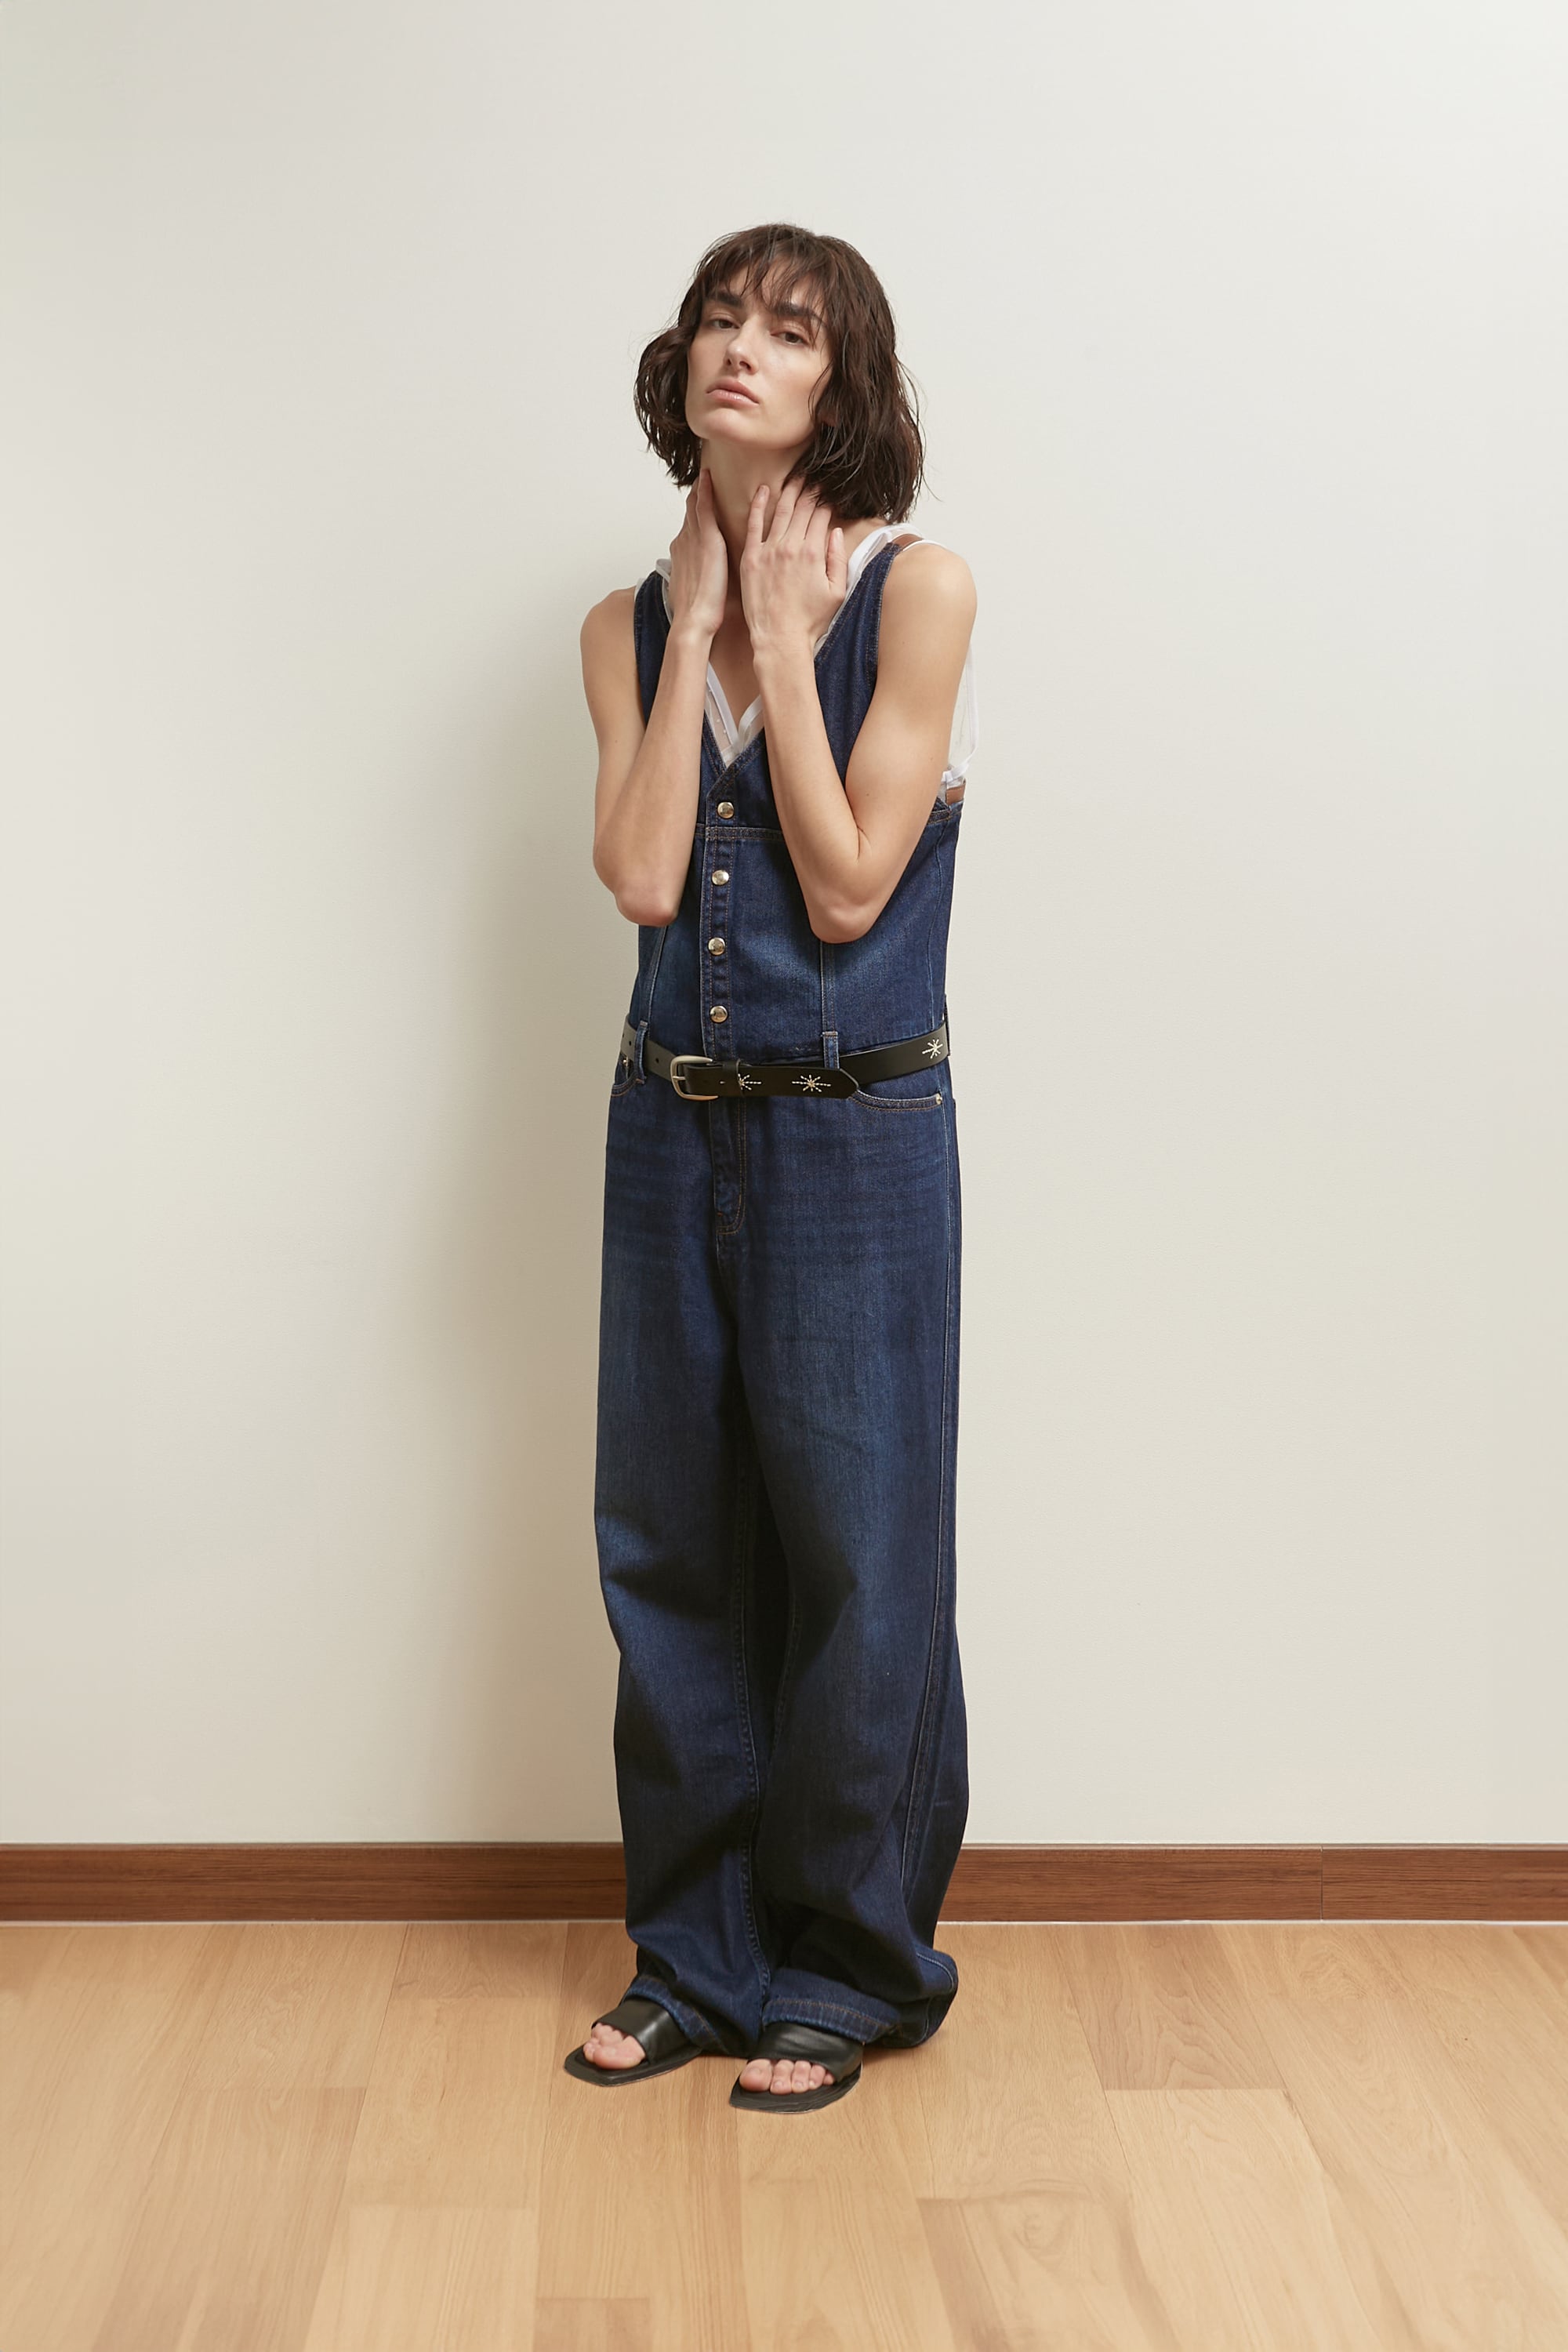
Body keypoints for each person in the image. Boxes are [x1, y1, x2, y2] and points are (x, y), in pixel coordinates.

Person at [564, 223, 977, 2113]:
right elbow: (647, 877)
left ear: (845, 383)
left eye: (790, 331)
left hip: (855, 1132)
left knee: (858, 1560)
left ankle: (848, 1965)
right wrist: (699, 618)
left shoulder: (921, 590)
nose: (741, 346)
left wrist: (790, 651)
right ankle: (695, 1959)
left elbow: (847, 882)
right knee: (668, 1549)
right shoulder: (621, 625)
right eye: (720, 318)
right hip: (669, 1122)